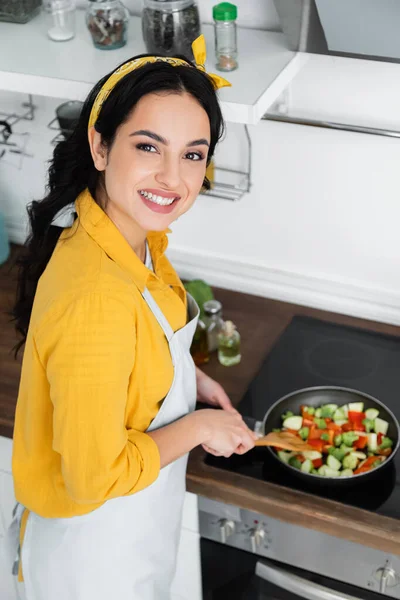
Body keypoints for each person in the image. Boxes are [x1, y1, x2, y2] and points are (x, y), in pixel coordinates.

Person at [10, 35, 256, 599]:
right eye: (149, 147)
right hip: (91, 562)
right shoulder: (97, 293)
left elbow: (133, 348)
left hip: (127, 540)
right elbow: (93, 477)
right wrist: (196, 427)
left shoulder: (131, 239)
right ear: (100, 147)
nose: (173, 177)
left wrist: (184, 377)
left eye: (192, 154)